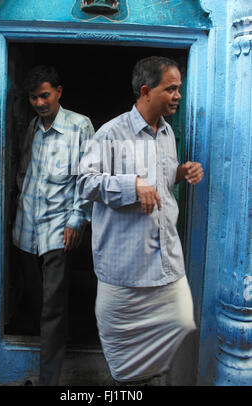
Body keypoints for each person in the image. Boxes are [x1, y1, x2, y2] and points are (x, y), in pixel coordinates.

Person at [77, 56, 203, 385]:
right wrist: (130, 184)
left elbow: (158, 182)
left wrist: (180, 172)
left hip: (165, 267)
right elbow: (85, 183)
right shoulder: (111, 133)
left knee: (176, 344)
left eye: (179, 88)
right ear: (146, 91)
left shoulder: (166, 134)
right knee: (129, 368)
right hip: (125, 273)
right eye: (171, 89)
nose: (178, 95)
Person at [12, 65, 94, 386]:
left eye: (44, 95)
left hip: (58, 231)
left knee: (52, 307)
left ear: (59, 92)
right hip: (25, 229)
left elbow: (88, 179)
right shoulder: (32, 125)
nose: (39, 103)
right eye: (33, 98)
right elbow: (23, 171)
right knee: (35, 299)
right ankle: (38, 349)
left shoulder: (79, 126)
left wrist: (77, 220)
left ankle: (49, 380)